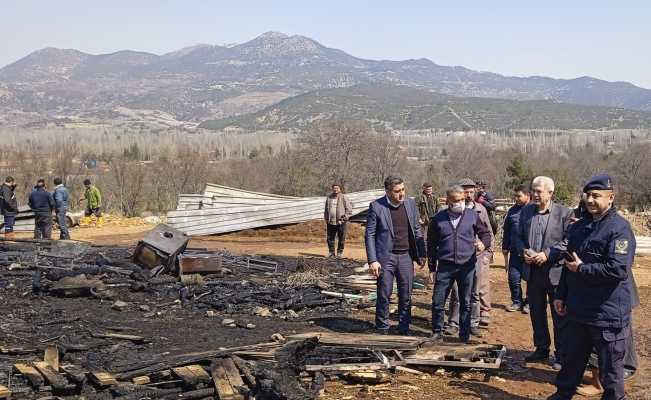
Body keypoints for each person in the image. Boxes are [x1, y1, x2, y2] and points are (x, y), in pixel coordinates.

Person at [549, 173, 635, 400]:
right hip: (578, 310)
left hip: (607, 312)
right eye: (587, 195)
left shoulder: (619, 229)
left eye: (596, 196)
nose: (590, 200)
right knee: (571, 362)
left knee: (611, 372)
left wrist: (583, 269)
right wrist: (561, 295)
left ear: (611, 198)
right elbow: (569, 262)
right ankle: (562, 395)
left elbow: (618, 270)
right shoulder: (580, 227)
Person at [517, 176, 573, 370]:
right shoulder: (526, 212)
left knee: (559, 315)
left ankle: (562, 354)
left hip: (555, 272)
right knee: (536, 312)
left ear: (550, 193)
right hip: (532, 272)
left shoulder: (564, 213)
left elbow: (568, 241)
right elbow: (517, 237)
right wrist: (522, 251)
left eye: (539, 191)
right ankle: (541, 348)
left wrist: (547, 254)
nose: (534, 194)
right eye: (533, 190)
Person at [428, 184, 492, 342]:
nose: (461, 203)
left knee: (466, 301)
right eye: (457, 200)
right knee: (438, 301)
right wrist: (431, 268)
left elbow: (485, 234)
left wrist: (483, 244)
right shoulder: (438, 219)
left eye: (463, 199)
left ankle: (464, 335)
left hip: (467, 266)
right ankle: (437, 332)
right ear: (448, 200)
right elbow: (431, 244)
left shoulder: (472, 216)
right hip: (445, 266)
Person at [365, 176, 426, 335]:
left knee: (406, 294)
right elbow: (370, 234)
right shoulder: (377, 207)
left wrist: (422, 253)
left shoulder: (410, 204)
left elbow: (417, 229)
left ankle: (404, 327)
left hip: (406, 256)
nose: (402, 194)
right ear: (388, 191)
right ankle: (382, 327)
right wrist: (373, 260)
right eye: (397, 191)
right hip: (386, 258)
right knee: (384, 294)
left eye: (403, 190)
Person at [447, 178, 494, 336]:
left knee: (474, 292)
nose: (468, 195)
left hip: (477, 258)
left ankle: (473, 322)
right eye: (465, 191)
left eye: (471, 191)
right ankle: (454, 322)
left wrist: (488, 252)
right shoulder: (449, 210)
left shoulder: (480, 209)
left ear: (475, 192)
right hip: (456, 258)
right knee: (456, 292)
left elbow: (488, 233)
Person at [502, 185, 531, 313]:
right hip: (515, 251)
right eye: (515, 196)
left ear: (527, 195)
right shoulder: (512, 211)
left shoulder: (534, 209)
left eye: (519, 196)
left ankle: (529, 303)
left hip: (531, 252)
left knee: (531, 279)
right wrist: (505, 247)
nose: (516, 198)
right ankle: (517, 301)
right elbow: (507, 230)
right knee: (513, 278)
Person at [324, 183, 353, 258]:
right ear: (332, 189)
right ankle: (331, 253)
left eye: (337, 188)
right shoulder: (329, 198)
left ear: (340, 189)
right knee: (330, 238)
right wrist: (326, 218)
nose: (335, 189)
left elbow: (349, 209)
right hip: (331, 222)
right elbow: (326, 210)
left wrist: (344, 218)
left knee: (341, 238)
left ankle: (339, 253)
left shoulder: (343, 197)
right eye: (334, 188)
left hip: (341, 222)